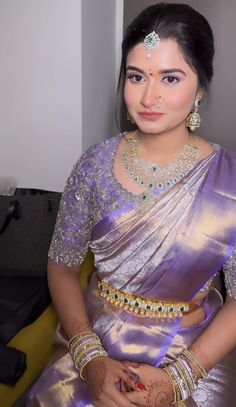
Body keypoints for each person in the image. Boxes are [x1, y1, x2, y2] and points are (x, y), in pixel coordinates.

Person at [27, 3, 236, 406]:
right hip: (95, 338)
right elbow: (63, 268)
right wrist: (90, 358)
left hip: (194, 351)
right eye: (136, 76)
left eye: (170, 78)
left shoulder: (229, 181)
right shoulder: (95, 164)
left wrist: (179, 378)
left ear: (201, 88)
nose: (149, 96)